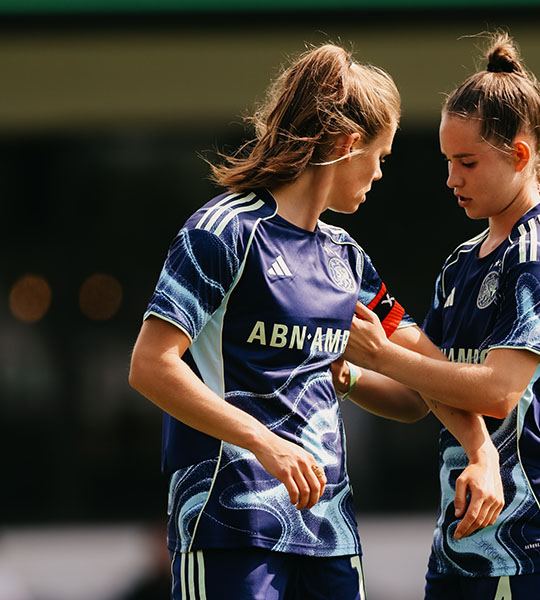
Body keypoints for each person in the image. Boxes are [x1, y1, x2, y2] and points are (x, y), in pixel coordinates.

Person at [128, 43, 502, 600]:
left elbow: (422, 373)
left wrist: (481, 450)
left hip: (329, 533)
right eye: (382, 155)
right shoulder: (224, 231)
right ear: (350, 145)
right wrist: (264, 443)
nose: (379, 173)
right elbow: (150, 367)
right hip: (228, 522)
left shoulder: (344, 258)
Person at [340, 33, 540, 600]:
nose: (450, 178)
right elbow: (421, 397)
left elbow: (497, 393)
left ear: (519, 156)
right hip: (461, 546)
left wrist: (383, 353)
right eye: (447, 161)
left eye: (466, 162)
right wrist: (351, 377)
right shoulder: (461, 264)